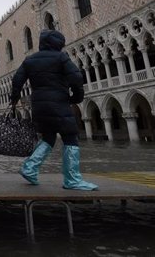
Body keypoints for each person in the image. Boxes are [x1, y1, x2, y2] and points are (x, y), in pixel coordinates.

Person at [10, 29, 98, 190]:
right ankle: (72, 180)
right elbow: (76, 77)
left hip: (38, 105)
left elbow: (17, 81)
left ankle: (29, 168)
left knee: (48, 138)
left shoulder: (30, 60)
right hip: (59, 103)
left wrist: (14, 100)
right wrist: (77, 97)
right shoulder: (61, 57)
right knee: (70, 137)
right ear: (58, 43)